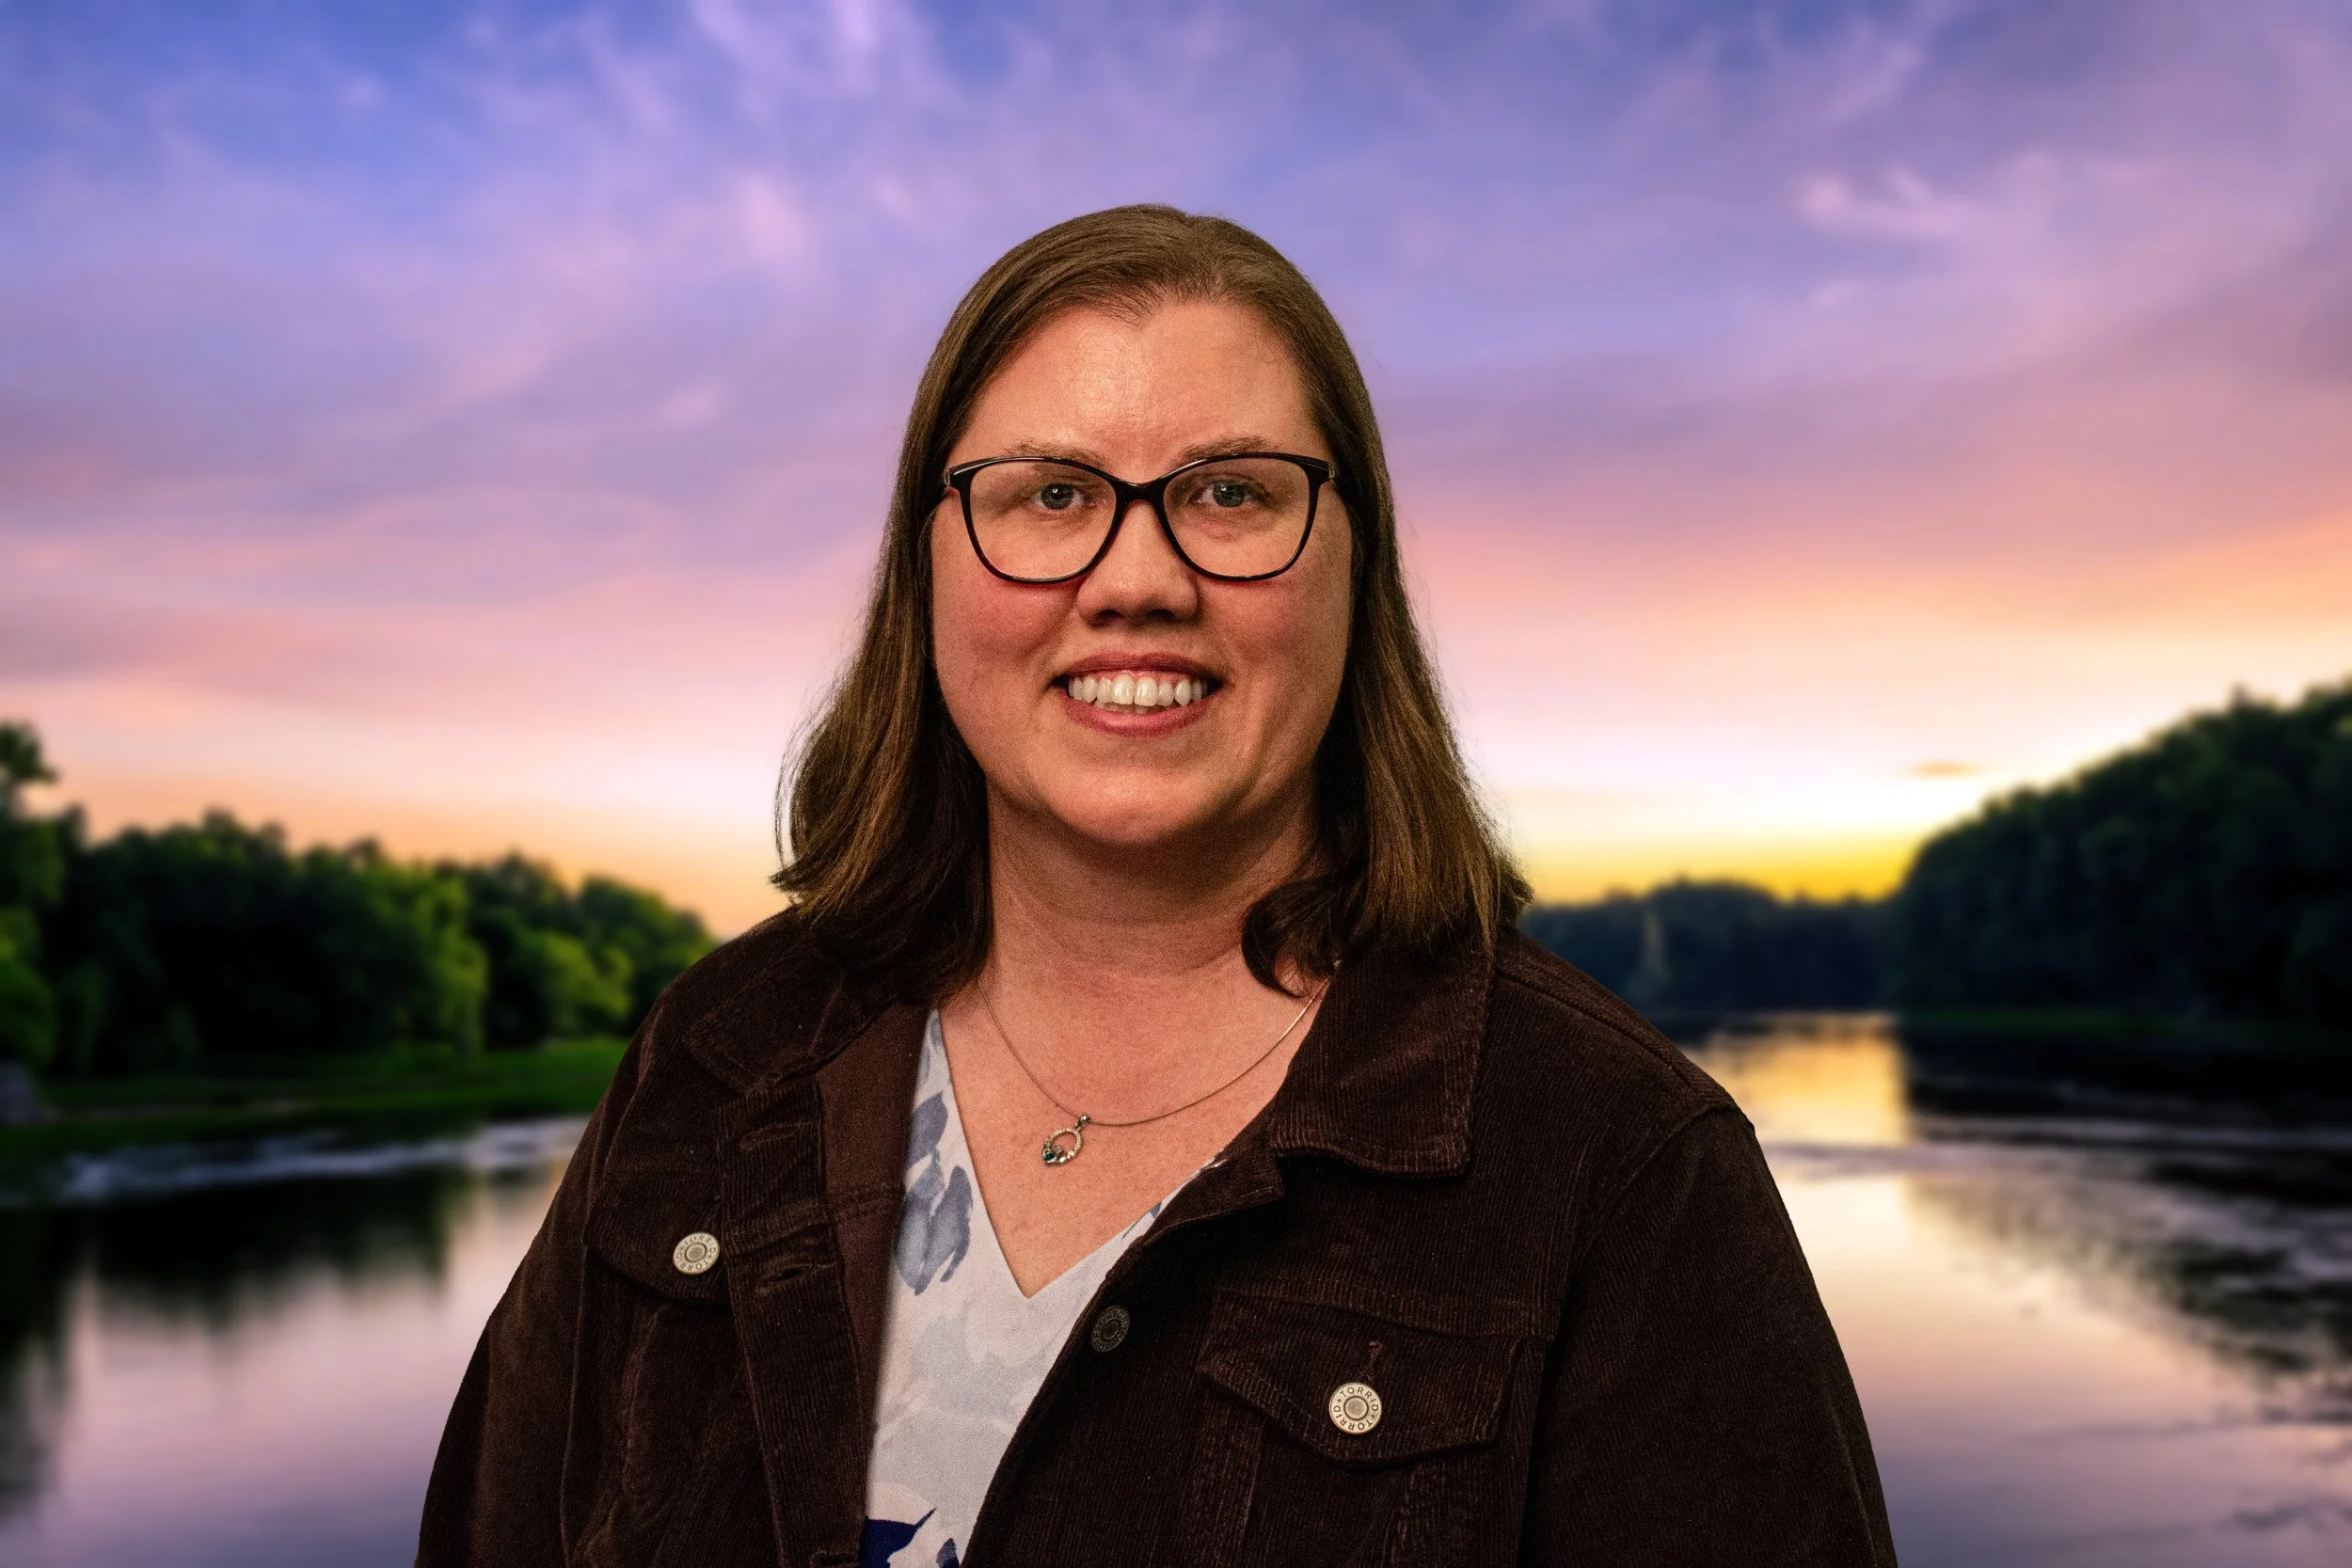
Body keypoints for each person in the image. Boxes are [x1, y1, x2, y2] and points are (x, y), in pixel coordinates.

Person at [418, 205, 1897, 1567]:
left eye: (1232, 493)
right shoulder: (721, 1054)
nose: (1137, 577)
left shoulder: (1620, 1168)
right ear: (927, 565)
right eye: (1052, 493)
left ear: (1351, 568)